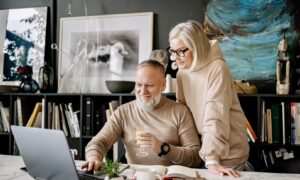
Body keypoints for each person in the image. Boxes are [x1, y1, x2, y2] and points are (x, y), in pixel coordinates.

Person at [81, 59, 201, 173]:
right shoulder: (124, 112)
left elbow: (195, 157)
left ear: (163, 85)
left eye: (149, 85)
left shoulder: (180, 112)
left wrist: (163, 148)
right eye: (139, 85)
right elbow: (100, 141)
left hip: (169, 177)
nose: (143, 91)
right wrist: (94, 157)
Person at [168, 20, 250, 177]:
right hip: (203, 150)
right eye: (173, 51)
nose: (176, 58)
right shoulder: (182, 74)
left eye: (181, 51)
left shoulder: (217, 68)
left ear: (196, 47)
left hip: (227, 153)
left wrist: (212, 158)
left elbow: (215, 114)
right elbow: (182, 112)